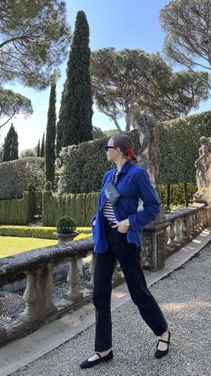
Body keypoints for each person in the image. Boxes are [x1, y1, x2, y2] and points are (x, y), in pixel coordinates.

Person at [80, 134, 171, 369]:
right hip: (104, 240)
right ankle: (103, 349)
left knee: (138, 291)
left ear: (119, 150)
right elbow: (105, 204)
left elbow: (153, 207)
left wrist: (130, 222)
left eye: (107, 147)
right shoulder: (108, 175)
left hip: (125, 238)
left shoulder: (137, 174)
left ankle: (163, 332)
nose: (105, 151)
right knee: (99, 294)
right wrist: (96, 222)